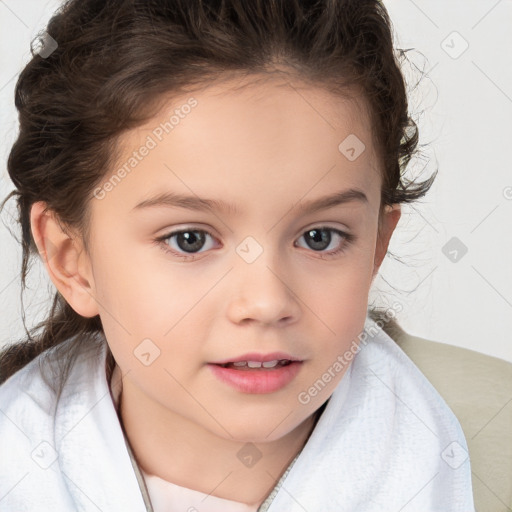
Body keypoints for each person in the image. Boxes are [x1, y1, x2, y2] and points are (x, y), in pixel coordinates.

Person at [0, 0, 475, 510]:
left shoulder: (488, 443)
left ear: (377, 247)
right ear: (72, 258)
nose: (266, 302)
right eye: (190, 239)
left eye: (320, 237)